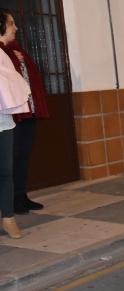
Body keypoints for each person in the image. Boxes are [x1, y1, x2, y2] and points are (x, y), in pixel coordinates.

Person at [2, 39, 49, 214]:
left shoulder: (16, 49)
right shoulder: (3, 53)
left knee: (23, 156)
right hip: (13, 114)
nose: (15, 28)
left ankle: (22, 196)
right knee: (11, 159)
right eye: (11, 24)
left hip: (28, 111)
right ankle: (11, 201)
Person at [0, 9, 30, 239]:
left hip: (4, 120)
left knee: (6, 171)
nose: (15, 28)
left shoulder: (7, 53)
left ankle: (8, 217)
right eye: (11, 23)